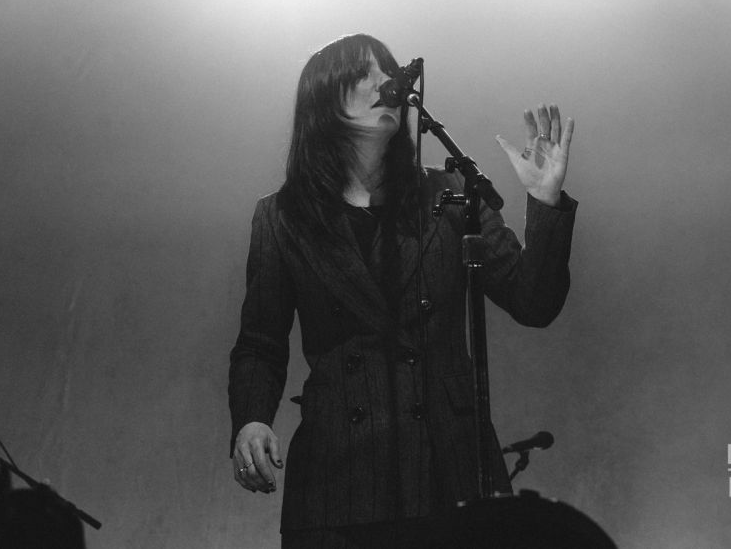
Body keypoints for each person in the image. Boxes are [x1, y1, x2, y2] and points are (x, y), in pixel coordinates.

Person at [228, 33, 577, 548]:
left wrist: (544, 204)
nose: (385, 83)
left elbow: (534, 303)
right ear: (325, 102)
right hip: (338, 479)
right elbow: (261, 340)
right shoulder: (283, 217)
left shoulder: (451, 195)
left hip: (451, 468)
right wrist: (252, 419)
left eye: (388, 72)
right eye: (364, 75)